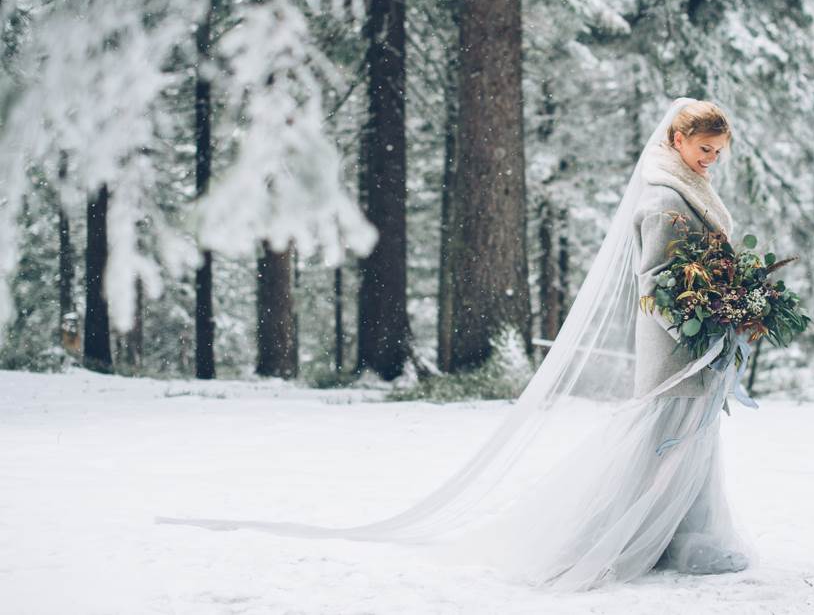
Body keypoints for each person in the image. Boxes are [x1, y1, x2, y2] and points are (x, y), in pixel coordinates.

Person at [154, 97, 757, 592]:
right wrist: (702, 322)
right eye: (704, 150)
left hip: (694, 332)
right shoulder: (662, 198)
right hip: (674, 336)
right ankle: (626, 534)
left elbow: (701, 266)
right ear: (677, 141)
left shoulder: (688, 190)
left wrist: (729, 304)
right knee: (664, 435)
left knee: (692, 433)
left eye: (717, 154)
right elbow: (655, 280)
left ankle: (684, 534)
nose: (710, 161)